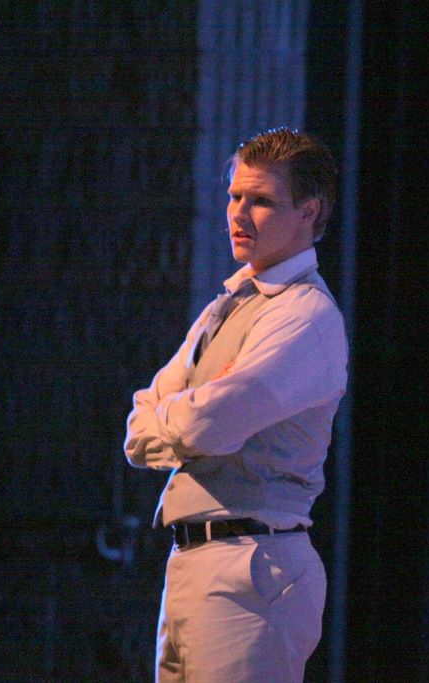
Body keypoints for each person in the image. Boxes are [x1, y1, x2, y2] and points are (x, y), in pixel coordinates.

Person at [124, 127, 348, 682]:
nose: (239, 213)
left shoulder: (304, 316)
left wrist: (183, 413)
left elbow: (212, 423)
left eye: (261, 200)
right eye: (234, 196)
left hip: (253, 564)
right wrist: (187, 412)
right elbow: (139, 424)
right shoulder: (227, 305)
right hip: (194, 562)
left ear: (308, 211)